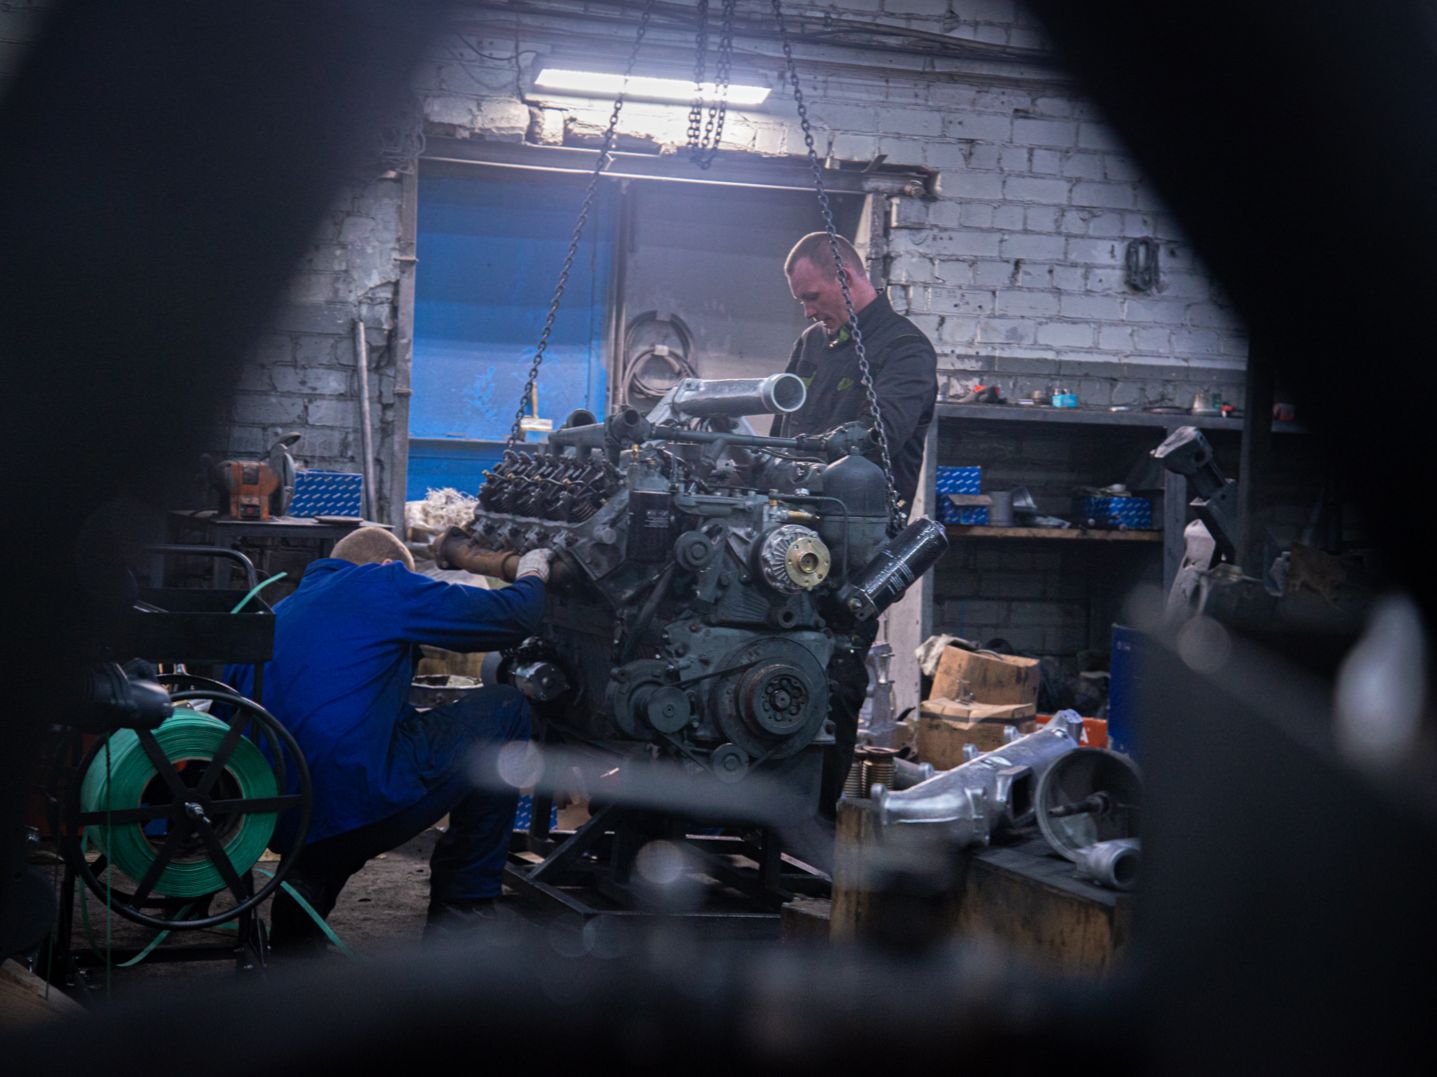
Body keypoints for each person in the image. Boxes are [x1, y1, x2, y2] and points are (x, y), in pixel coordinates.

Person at [224, 526, 552, 948]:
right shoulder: (380, 582)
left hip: (279, 818)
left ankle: (307, 894)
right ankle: (463, 909)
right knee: (504, 708)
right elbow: (514, 616)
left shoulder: (282, 609)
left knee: (349, 754)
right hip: (353, 799)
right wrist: (533, 572)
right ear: (387, 565)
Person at [771, 232, 938, 814]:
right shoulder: (811, 344)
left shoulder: (904, 349)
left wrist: (805, 460)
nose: (808, 311)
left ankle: (813, 830)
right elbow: (781, 431)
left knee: (835, 677)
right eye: (802, 301)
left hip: (852, 550)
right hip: (789, 537)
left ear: (845, 277)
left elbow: (879, 436)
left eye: (812, 296)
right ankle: (764, 811)